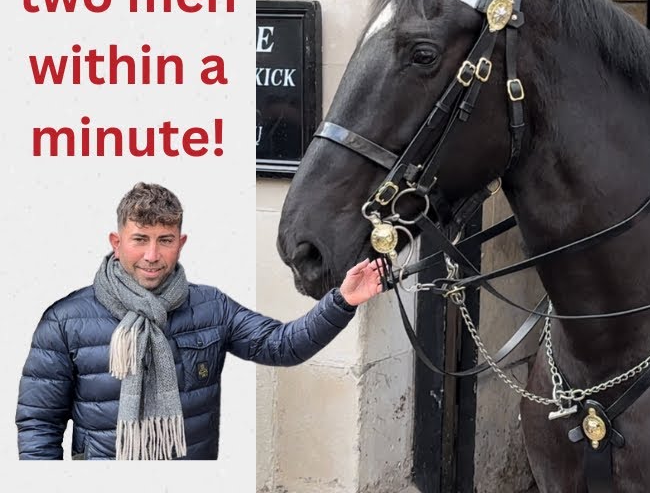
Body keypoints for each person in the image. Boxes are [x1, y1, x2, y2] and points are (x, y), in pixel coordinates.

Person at [16, 182, 386, 460]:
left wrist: (342, 301)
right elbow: (39, 424)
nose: (152, 255)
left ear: (181, 242)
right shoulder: (65, 319)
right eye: (139, 239)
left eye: (165, 240)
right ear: (116, 241)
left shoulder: (211, 307)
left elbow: (282, 345)